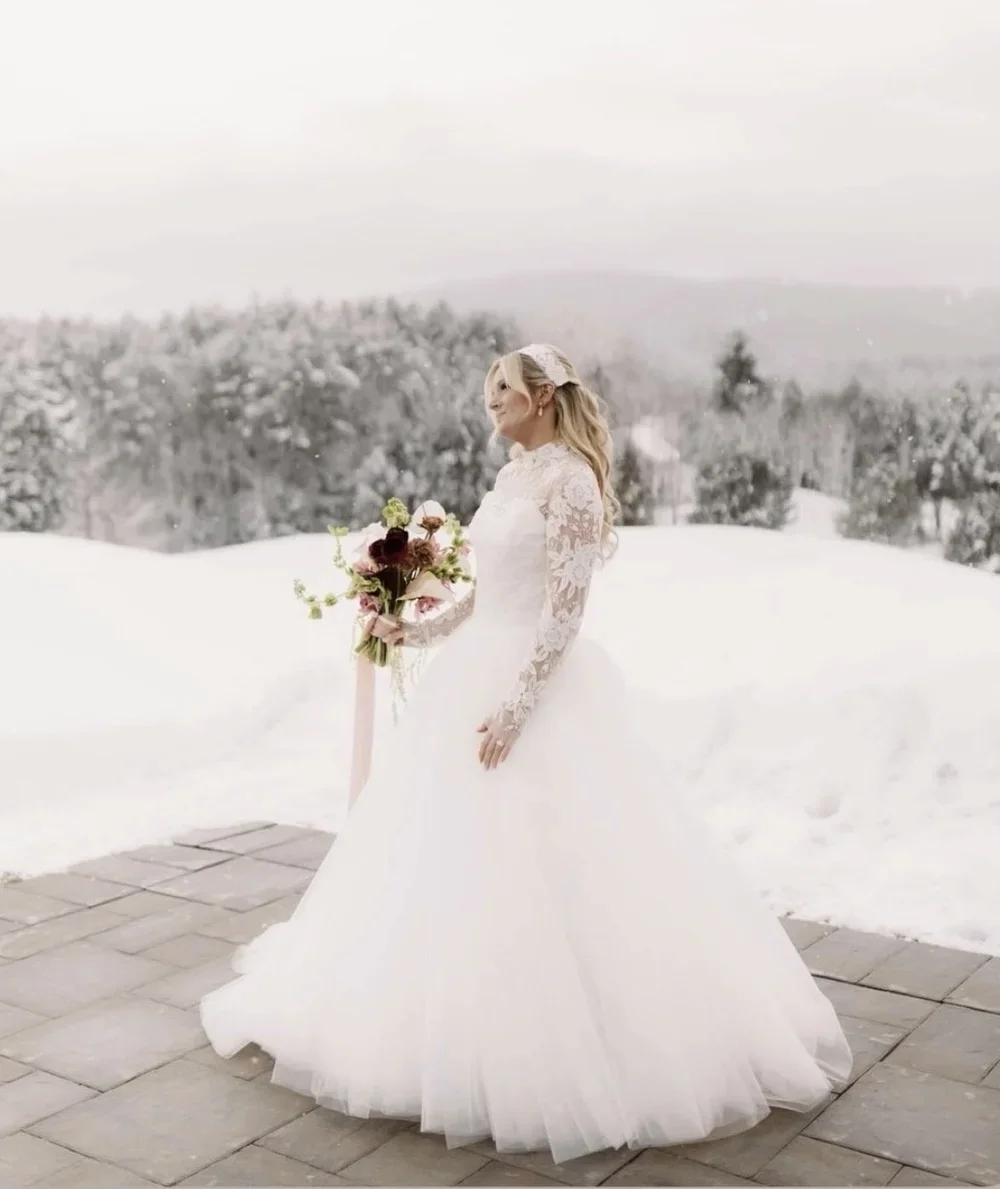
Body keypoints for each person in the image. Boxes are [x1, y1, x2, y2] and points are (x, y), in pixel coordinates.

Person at [200, 343, 851, 1162]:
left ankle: (575, 1039)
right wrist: (420, 628)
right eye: (488, 390)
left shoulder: (571, 483)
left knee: (556, 865)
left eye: (502, 388)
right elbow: (490, 595)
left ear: (544, 396)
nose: (490, 401)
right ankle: (443, 1019)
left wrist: (515, 706)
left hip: (537, 694)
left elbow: (563, 612)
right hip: (474, 677)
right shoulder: (514, 474)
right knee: (442, 861)